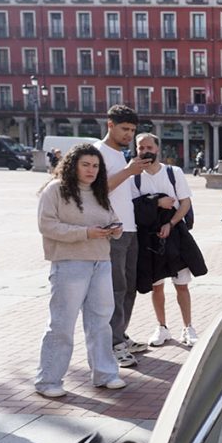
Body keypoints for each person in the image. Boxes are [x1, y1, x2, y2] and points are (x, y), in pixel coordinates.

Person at [35, 143, 127, 398]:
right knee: (62, 323)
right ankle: (48, 380)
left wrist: (115, 228)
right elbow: (47, 226)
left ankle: (105, 373)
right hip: (69, 263)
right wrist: (85, 233)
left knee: (100, 321)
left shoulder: (99, 193)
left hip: (101, 261)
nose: (91, 170)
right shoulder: (55, 190)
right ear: (72, 165)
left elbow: (112, 217)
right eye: (85, 164)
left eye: (96, 166)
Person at [130, 133, 205, 347]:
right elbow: (134, 207)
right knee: (157, 286)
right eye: (140, 147)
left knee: (182, 284)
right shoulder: (134, 176)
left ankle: (188, 327)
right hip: (149, 237)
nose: (145, 151)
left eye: (149, 147)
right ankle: (161, 327)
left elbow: (184, 203)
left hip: (175, 234)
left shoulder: (173, 172)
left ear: (157, 149)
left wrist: (170, 223)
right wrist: (156, 202)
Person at [97, 104, 148, 368]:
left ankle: (120, 335)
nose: (129, 134)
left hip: (130, 229)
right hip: (113, 230)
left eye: (132, 130)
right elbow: (99, 190)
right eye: (124, 129)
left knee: (129, 287)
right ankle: (113, 344)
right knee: (115, 289)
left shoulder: (121, 154)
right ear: (110, 125)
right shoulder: (98, 152)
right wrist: (128, 171)